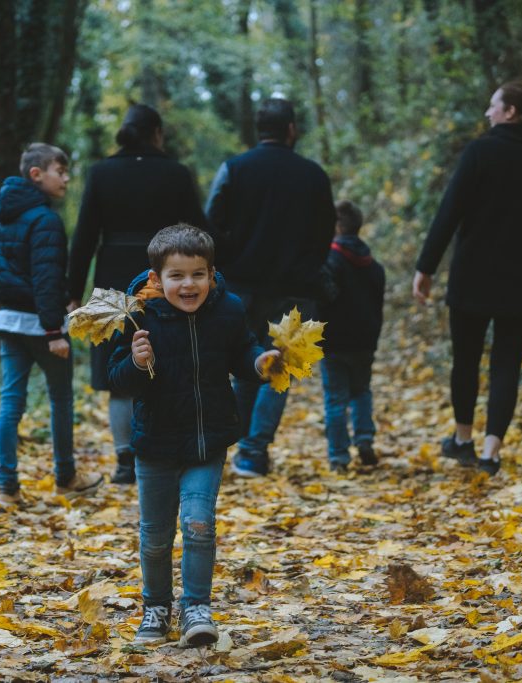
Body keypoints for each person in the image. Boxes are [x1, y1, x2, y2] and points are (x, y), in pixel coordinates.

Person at [107, 225, 278, 647]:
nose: (188, 285)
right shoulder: (138, 315)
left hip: (207, 441)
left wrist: (260, 363)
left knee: (199, 524)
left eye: (198, 274)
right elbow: (119, 379)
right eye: (177, 276)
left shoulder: (229, 309)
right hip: (155, 445)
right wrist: (136, 360)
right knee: (156, 536)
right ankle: (156, 608)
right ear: (156, 279)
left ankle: (197, 608)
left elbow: (243, 353)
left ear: (211, 273)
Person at [412, 82, 522, 476]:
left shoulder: (480, 152)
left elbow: (448, 212)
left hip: (473, 279)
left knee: (465, 360)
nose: (488, 113)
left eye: (493, 106)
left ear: (511, 112)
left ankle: (463, 440)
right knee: (507, 365)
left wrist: (426, 267)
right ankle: (491, 453)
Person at [67, 104, 206, 485]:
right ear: (157, 134)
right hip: (165, 278)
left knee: (119, 370)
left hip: (110, 277)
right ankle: (168, 450)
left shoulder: (100, 173)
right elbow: (198, 229)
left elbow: (83, 238)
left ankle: (125, 460)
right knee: (166, 360)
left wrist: (73, 292)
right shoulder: (176, 174)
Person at [204, 97, 336, 477]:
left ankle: (234, 445)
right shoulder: (313, 175)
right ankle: (253, 451)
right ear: (291, 130)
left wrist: (230, 258)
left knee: (246, 364)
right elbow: (326, 231)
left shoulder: (234, 168)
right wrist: (309, 264)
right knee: (282, 368)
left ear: (258, 131)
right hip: (296, 287)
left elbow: (211, 222)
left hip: (241, 285)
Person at [0, 143, 104, 505]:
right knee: (61, 400)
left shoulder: (5, 217)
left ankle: (7, 487)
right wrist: (54, 329)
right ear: (36, 174)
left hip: (9, 322)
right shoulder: (45, 219)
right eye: (60, 170)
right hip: (42, 327)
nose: (66, 177)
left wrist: (57, 300)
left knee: (11, 403)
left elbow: (6, 275)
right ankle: (65, 476)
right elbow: (45, 278)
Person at [318, 200, 386, 473]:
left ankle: (339, 456)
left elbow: (324, 297)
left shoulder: (330, 261)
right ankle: (364, 439)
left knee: (335, 399)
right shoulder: (374, 266)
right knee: (361, 391)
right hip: (365, 342)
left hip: (334, 342)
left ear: (335, 227)